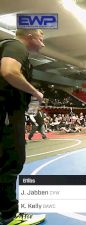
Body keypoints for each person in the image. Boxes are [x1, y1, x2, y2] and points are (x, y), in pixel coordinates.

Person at [0, 29, 46, 224]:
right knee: (11, 161)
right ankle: (10, 215)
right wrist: (36, 92)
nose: (43, 40)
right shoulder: (16, 46)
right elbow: (9, 71)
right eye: (41, 36)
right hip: (8, 113)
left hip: (8, 113)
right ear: (29, 35)